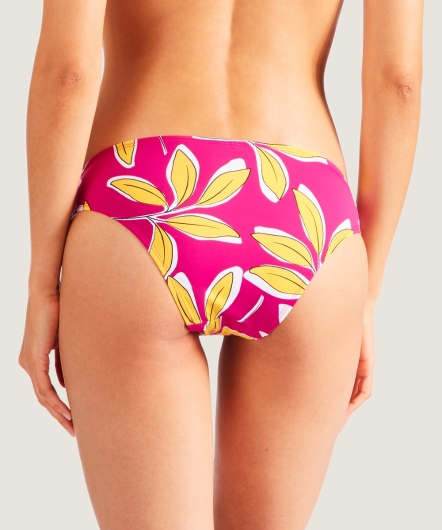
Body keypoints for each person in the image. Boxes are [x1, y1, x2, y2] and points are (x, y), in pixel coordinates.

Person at [18, 0, 424, 528]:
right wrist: (366, 290)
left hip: (143, 192)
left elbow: (68, 72)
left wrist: (43, 286)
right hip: (303, 209)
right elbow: (399, 82)